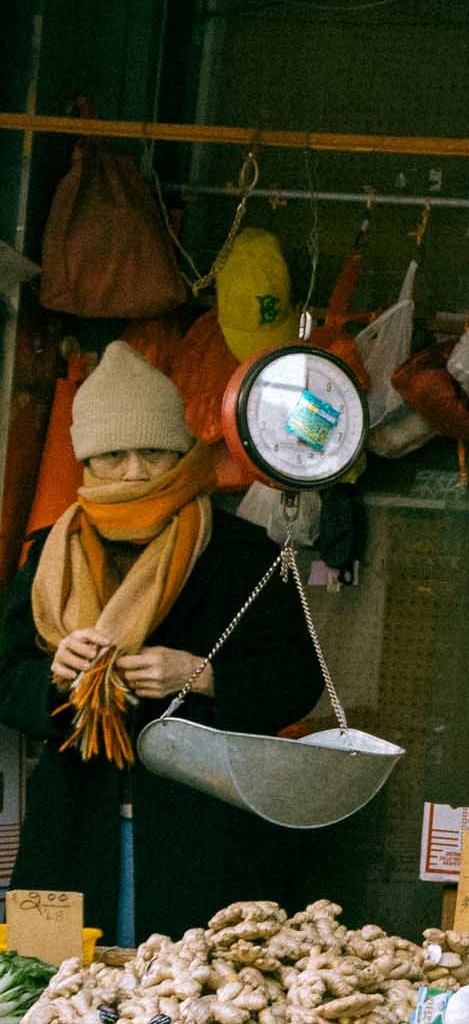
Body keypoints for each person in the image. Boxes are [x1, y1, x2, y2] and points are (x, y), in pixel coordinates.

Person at [0, 341, 326, 942]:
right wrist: (53, 673)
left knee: (190, 1011)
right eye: (111, 456)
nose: (133, 472)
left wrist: (202, 676)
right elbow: (7, 675)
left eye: (152, 452)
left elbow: (299, 679)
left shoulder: (241, 554)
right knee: (67, 1000)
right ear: (85, 464)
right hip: (76, 820)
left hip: (203, 832)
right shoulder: (49, 553)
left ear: (181, 454)